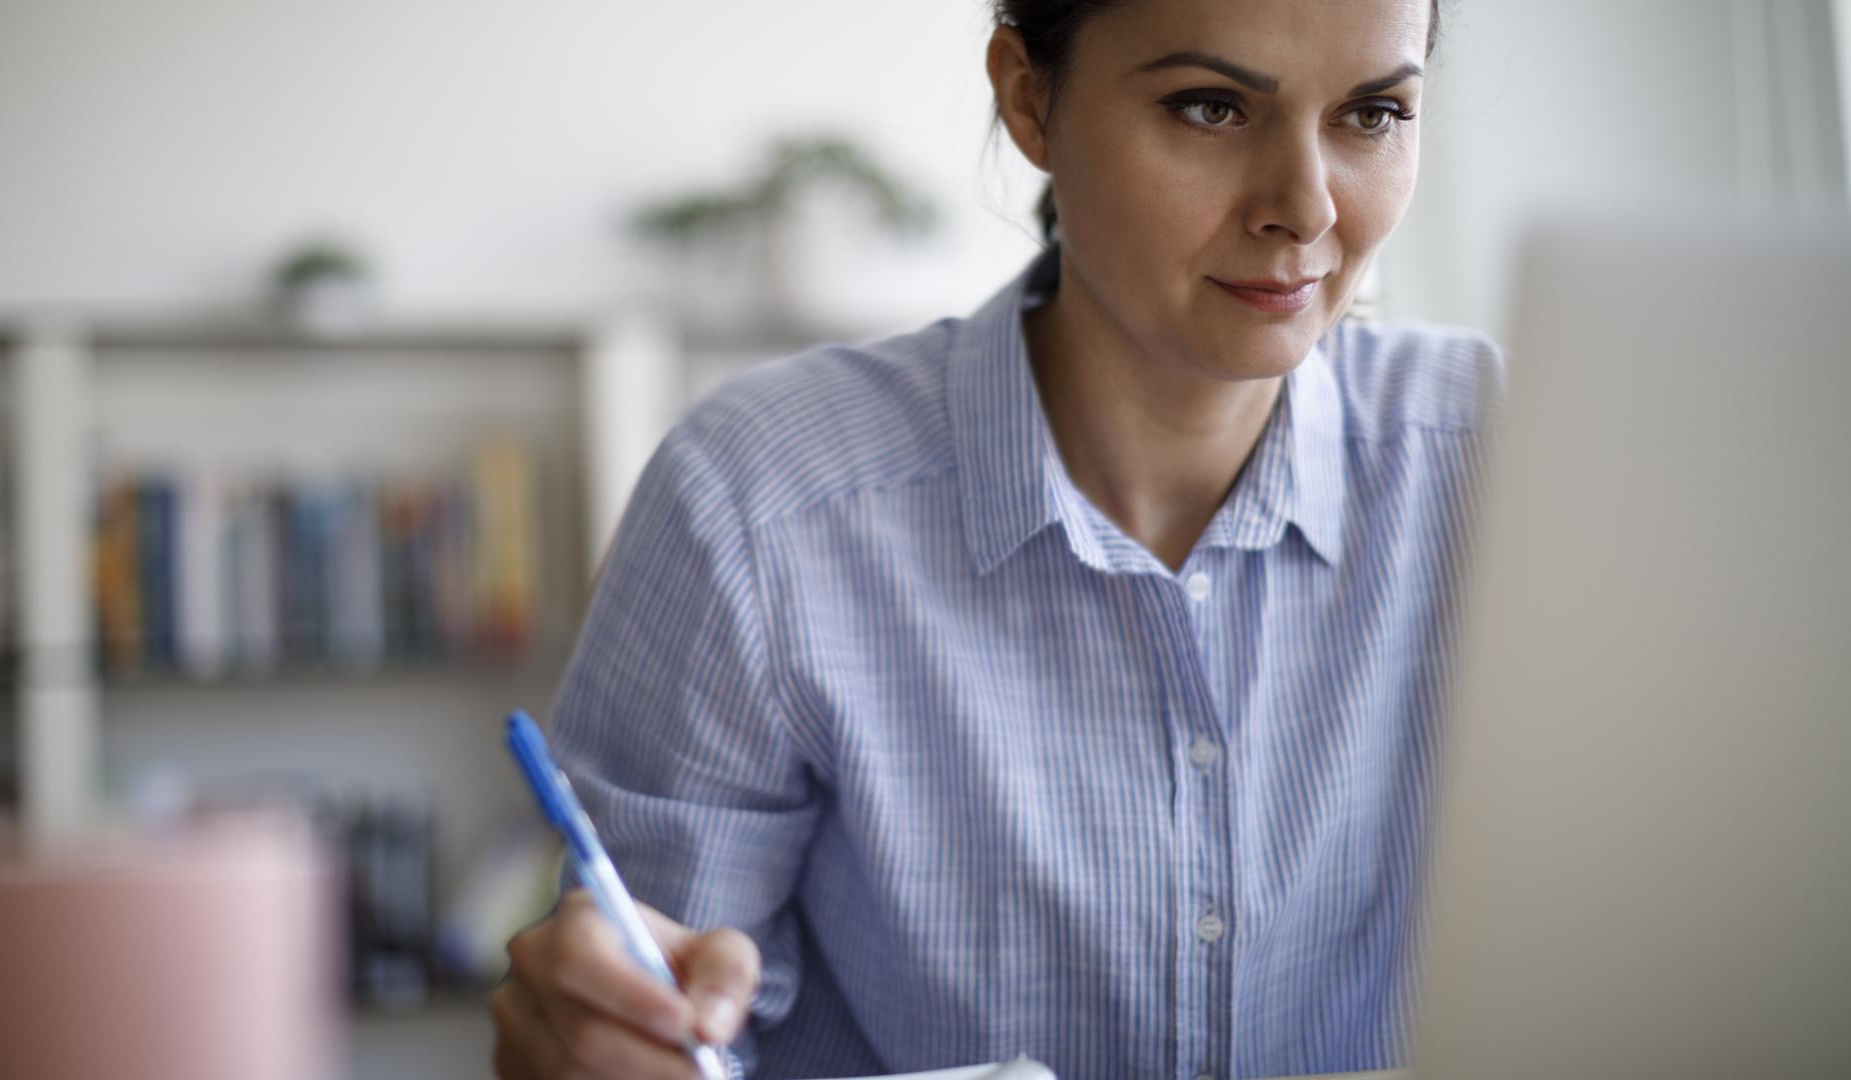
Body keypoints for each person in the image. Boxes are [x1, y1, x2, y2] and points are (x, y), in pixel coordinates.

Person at [491, 0, 1501, 1076]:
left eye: (1372, 113)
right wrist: (615, 1037)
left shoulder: (1508, 459)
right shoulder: (756, 505)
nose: (1303, 208)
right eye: (1209, 107)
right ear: (1028, 97)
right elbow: (669, 1015)